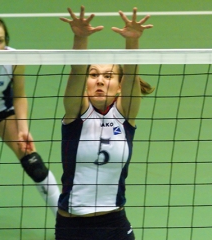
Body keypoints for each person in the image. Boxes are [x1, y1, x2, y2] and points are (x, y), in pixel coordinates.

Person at [56, 6, 154, 240]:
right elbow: (76, 70)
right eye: (93, 75)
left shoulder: (124, 115)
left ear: (119, 86)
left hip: (114, 224)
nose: (100, 80)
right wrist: (80, 37)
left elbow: (131, 74)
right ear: (86, 83)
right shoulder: (76, 114)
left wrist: (132, 42)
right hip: (73, 225)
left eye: (108, 76)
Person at [0, 15, 60, 216]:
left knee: (34, 163)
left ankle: (64, 219)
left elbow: (20, 95)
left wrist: (23, 129)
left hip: (1, 111)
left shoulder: (13, 59)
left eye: (0, 40)